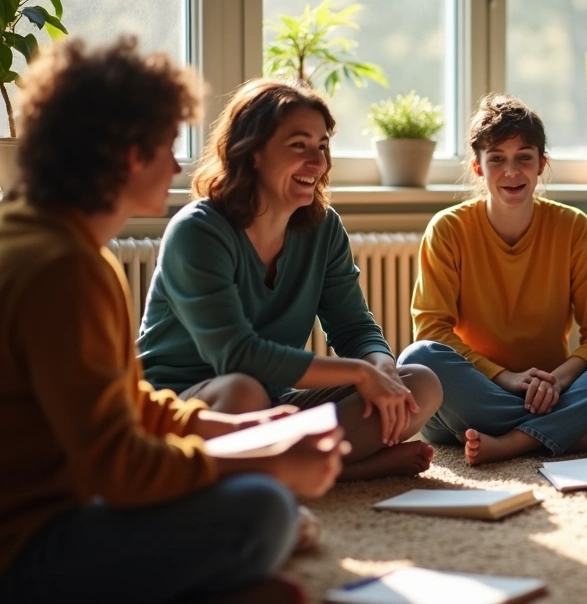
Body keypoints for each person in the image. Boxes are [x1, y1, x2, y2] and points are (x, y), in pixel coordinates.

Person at [0, 37, 345, 604]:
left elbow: (130, 404)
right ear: (132, 154)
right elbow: (120, 467)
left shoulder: (48, 239)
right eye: (166, 145)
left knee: (262, 497)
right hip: (22, 547)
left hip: (61, 503)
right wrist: (269, 461)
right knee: (263, 510)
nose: (177, 163)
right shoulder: (63, 269)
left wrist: (244, 432)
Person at [137, 78, 443, 482]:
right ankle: (346, 470)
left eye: (322, 145)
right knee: (243, 391)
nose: (317, 163)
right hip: (192, 409)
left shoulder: (323, 227)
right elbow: (237, 356)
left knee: (419, 385)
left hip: (274, 404)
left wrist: (381, 371)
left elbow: (354, 327)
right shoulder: (198, 231)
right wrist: (359, 374)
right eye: (299, 145)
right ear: (253, 152)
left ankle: (298, 463)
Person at [398, 93, 587, 466]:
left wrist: (558, 379)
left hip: (556, 389)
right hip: (475, 395)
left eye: (524, 157)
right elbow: (431, 330)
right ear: (478, 167)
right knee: (418, 357)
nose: (512, 172)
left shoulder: (572, 226)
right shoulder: (448, 229)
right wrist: (505, 378)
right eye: (497, 159)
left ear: (542, 164)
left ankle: (515, 441)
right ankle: (581, 435)